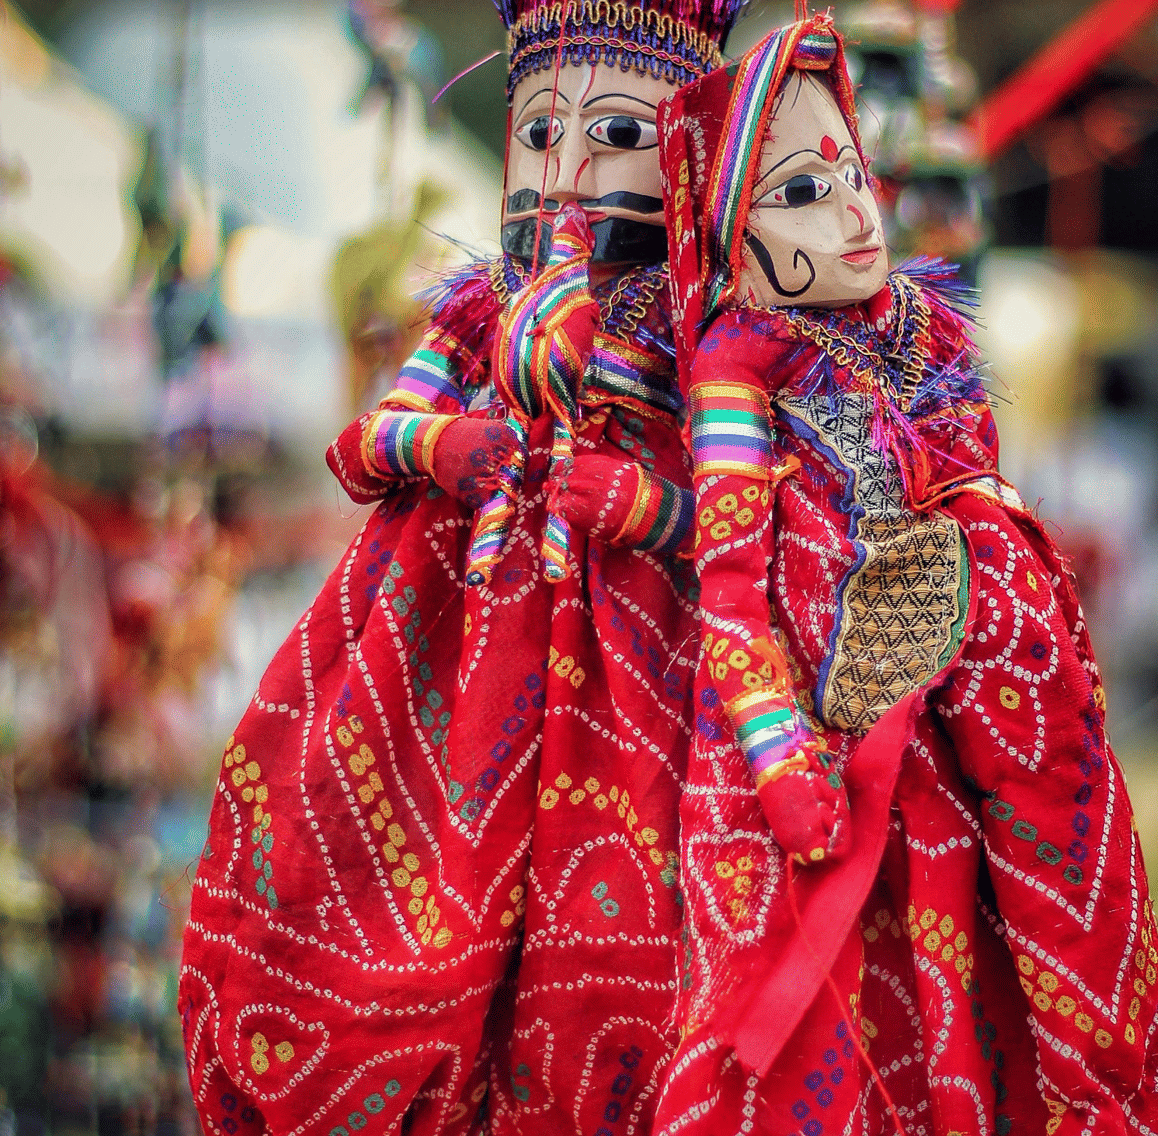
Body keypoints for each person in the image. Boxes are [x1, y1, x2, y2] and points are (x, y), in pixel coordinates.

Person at [652, 14, 1158, 1134]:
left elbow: (964, 466)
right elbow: (728, 581)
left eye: (848, 172)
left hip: (978, 705)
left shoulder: (917, 335)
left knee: (1010, 957)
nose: (856, 209)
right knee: (853, 1003)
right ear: (725, 229)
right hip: (839, 726)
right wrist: (777, 754)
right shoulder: (734, 372)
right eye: (800, 194)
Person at [177, 3, 743, 1133]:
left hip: (650, 674)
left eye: (616, 137)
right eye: (540, 135)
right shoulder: (481, 311)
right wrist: (448, 444)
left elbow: (750, 517)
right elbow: (365, 442)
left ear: (689, 154)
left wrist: (652, 505)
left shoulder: (711, 331)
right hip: (452, 660)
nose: (568, 171)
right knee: (394, 907)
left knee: (636, 952)